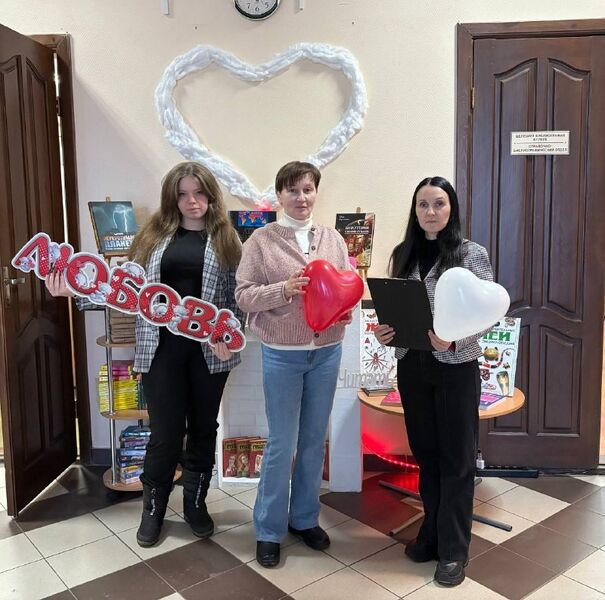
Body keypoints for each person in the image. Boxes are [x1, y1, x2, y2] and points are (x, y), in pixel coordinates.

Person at [45, 161, 244, 547]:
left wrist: (230, 334)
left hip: (210, 355)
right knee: (165, 434)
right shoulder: (152, 236)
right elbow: (121, 289)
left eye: (199, 193)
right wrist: (75, 290)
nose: (192, 201)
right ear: (172, 198)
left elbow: (237, 296)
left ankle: (196, 505)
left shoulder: (226, 239)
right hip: (160, 351)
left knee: (203, 430)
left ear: (210, 195)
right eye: (182, 194)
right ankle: (153, 510)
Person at [374, 176, 493, 587]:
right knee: (426, 455)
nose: (430, 212)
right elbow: (397, 307)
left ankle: (454, 549)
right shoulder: (403, 253)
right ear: (415, 211)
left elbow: (487, 313)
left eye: (439, 203)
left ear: (451, 208)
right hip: (413, 365)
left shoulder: (471, 254)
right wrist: (385, 332)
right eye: (423, 205)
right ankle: (432, 532)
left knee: (457, 459)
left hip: (456, 366)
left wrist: (456, 338)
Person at [235, 161, 352, 568]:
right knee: (281, 442)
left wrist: (343, 311)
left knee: (313, 439)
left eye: (307, 189)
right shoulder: (260, 241)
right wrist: (283, 290)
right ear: (279, 195)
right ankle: (268, 530)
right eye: (292, 190)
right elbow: (244, 295)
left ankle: (304, 519)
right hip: (282, 354)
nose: (301, 198)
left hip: (327, 351)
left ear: (316, 192)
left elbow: (346, 286)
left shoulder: (333, 238)